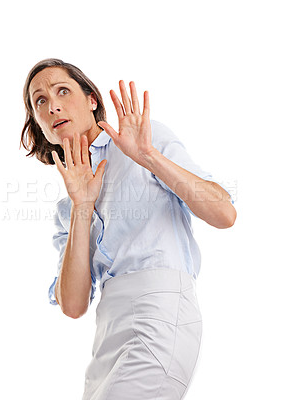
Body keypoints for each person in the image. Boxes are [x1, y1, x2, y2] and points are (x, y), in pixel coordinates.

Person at [20, 58, 237, 400]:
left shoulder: (141, 140)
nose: (53, 105)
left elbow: (224, 212)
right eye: (40, 101)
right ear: (39, 125)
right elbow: (74, 305)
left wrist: (148, 156)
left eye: (62, 90)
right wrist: (81, 207)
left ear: (92, 100)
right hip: (107, 336)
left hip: (161, 315)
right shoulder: (67, 209)